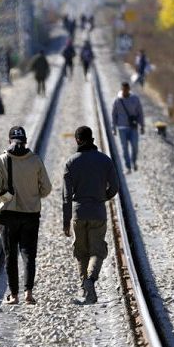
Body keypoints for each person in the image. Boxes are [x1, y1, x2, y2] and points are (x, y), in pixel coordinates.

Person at [0, 126, 52, 305]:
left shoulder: (1, 160)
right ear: (25, 141)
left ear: (9, 141)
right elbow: (47, 188)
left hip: (7, 216)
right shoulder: (35, 161)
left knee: (10, 255)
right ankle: (28, 293)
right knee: (29, 254)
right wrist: (32, 194)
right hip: (30, 215)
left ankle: (14, 295)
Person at [62, 126, 118, 304]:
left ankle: (86, 290)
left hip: (79, 213)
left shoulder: (71, 162)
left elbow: (65, 196)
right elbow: (115, 187)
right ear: (92, 138)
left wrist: (66, 220)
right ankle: (90, 281)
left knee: (81, 253)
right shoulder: (105, 160)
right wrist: (103, 197)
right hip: (98, 212)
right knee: (97, 251)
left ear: (77, 140)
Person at [111, 82, 145, 172]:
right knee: (124, 148)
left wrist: (142, 125)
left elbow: (140, 113)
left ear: (129, 89)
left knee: (135, 146)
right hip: (122, 128)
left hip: (133, 127)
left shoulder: (135, 99)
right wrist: (113, 127)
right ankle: (128, 166)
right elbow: (114, 114)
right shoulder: (117, 100)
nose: (125, 91)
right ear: (121, 90)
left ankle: (134, 162)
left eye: (126, 89)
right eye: (123, 89)